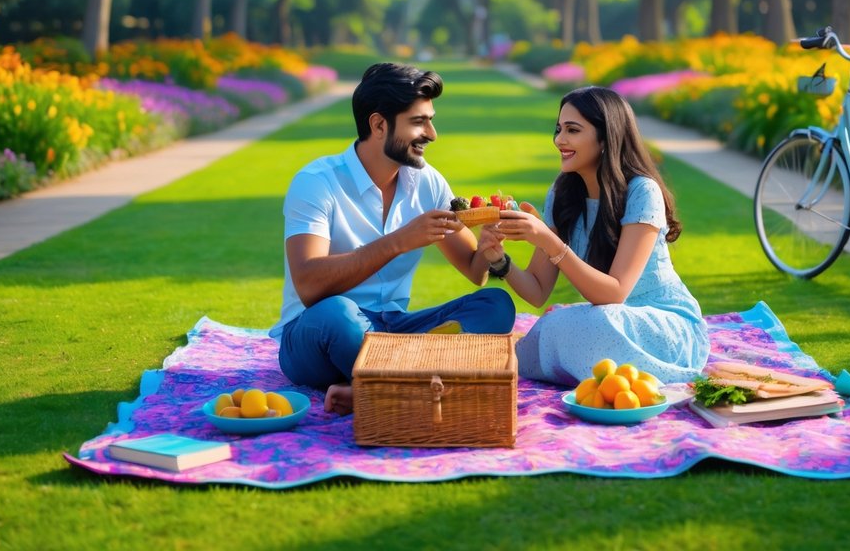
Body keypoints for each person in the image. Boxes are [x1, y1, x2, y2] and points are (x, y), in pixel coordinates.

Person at [272, 63, 516, 413]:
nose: (432, 134)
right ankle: (412, 384)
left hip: (394, 330)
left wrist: (489, 248)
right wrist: (398, 241)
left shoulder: (428, 182)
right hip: (317, 335)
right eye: (419, 121)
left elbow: (474, 270)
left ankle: (376, 386)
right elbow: (309, 285)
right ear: (378, 124)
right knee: (338, 314)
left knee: (495, 305)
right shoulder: (317, 182)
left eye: (430, 120)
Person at [479, 86, 709, 386]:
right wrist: (500, 261)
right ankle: (579, 361)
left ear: (606, 138)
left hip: (662, 324)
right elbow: (537, 291)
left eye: (573, 130)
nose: (559, 140)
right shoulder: (562, 193)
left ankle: (574, 361)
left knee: (584, 324)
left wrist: (547, 241)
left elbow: (614, 294)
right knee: (558, 324)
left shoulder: (641, 191)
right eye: (559, 129)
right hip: (607, 320)